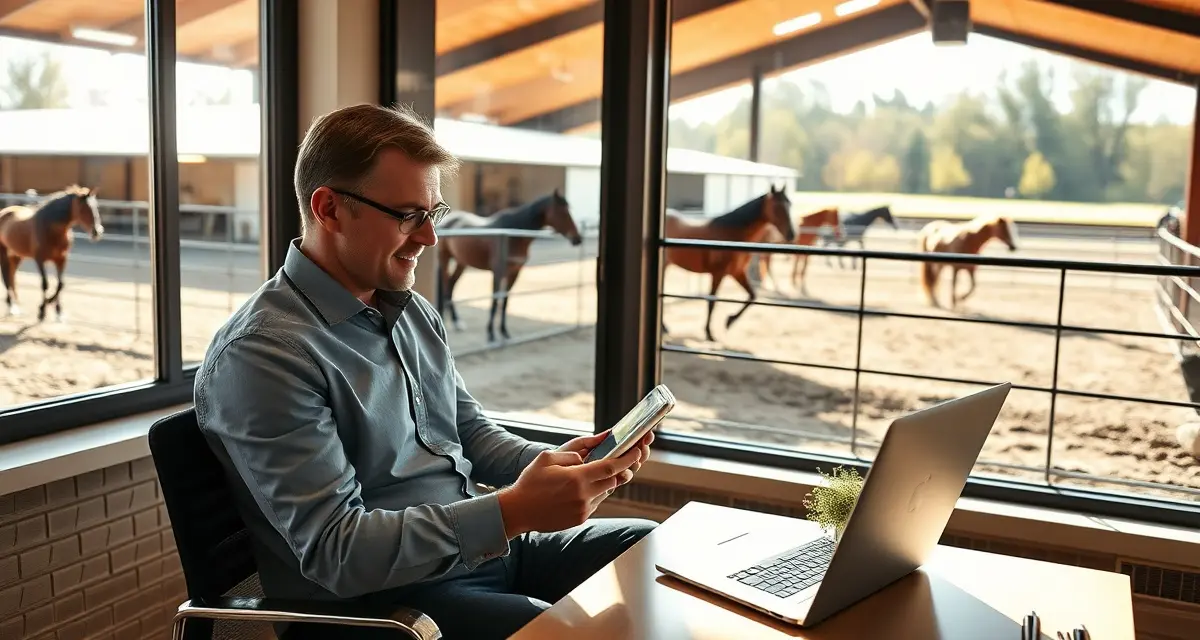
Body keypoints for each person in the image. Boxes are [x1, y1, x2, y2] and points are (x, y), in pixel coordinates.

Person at [194, 102, 657, 639]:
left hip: (480, 550)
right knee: (578, 635)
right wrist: (512, 512)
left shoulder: (408, 308)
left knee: (647, 548)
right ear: (329, 209)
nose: (430, 238)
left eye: (432, 213)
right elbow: (336, 551)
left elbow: (468, 431)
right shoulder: (264, 355)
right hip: (386, 605)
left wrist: (558, 467)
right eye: (408, 215)